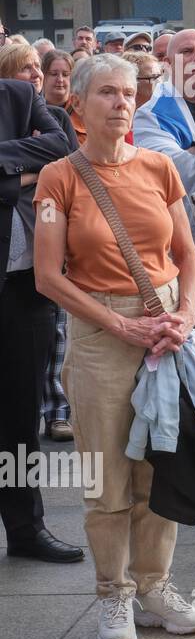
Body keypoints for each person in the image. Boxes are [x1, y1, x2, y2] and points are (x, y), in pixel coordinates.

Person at [33, 54, 195, 639]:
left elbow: (188, 254)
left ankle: (154, 588)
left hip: (165, 328)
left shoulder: (161, 167)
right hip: (99, 333)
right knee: (107, 472)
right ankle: (114, 596)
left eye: (129, 93)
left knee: (160, 466)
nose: (122, 103)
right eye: (108, 93)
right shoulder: (60, 177)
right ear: (78, 106)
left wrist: (185, 314)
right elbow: (47, 276)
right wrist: (118, 324)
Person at [2, 78, 80, 562]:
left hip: (24, 287)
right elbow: (43, 158)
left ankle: (27, 529)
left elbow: (65, 147)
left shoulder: (18, 95)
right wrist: (22, 174)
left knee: (19, 417)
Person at [132, 29, 195, 313]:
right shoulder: (150, 112)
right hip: (186, 239)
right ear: (167, 64)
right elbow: (175, 168)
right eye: (186, 52)